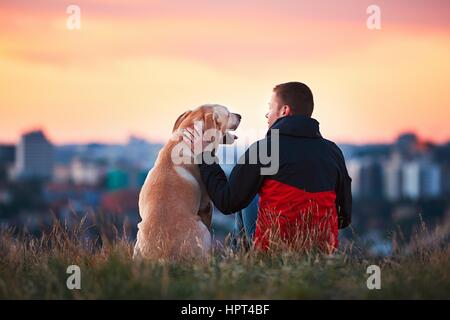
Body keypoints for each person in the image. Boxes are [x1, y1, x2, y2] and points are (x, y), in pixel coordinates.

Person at [184, 82, 352, 252]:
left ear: (284, 111)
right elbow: (344, 217)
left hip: (274, 248)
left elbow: (227, 202)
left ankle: (240, 263)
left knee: (245, 198)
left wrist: (204, 154)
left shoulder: (265, 149)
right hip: (322, 250)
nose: (267, 114)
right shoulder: (333, 152)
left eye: (270, 107)